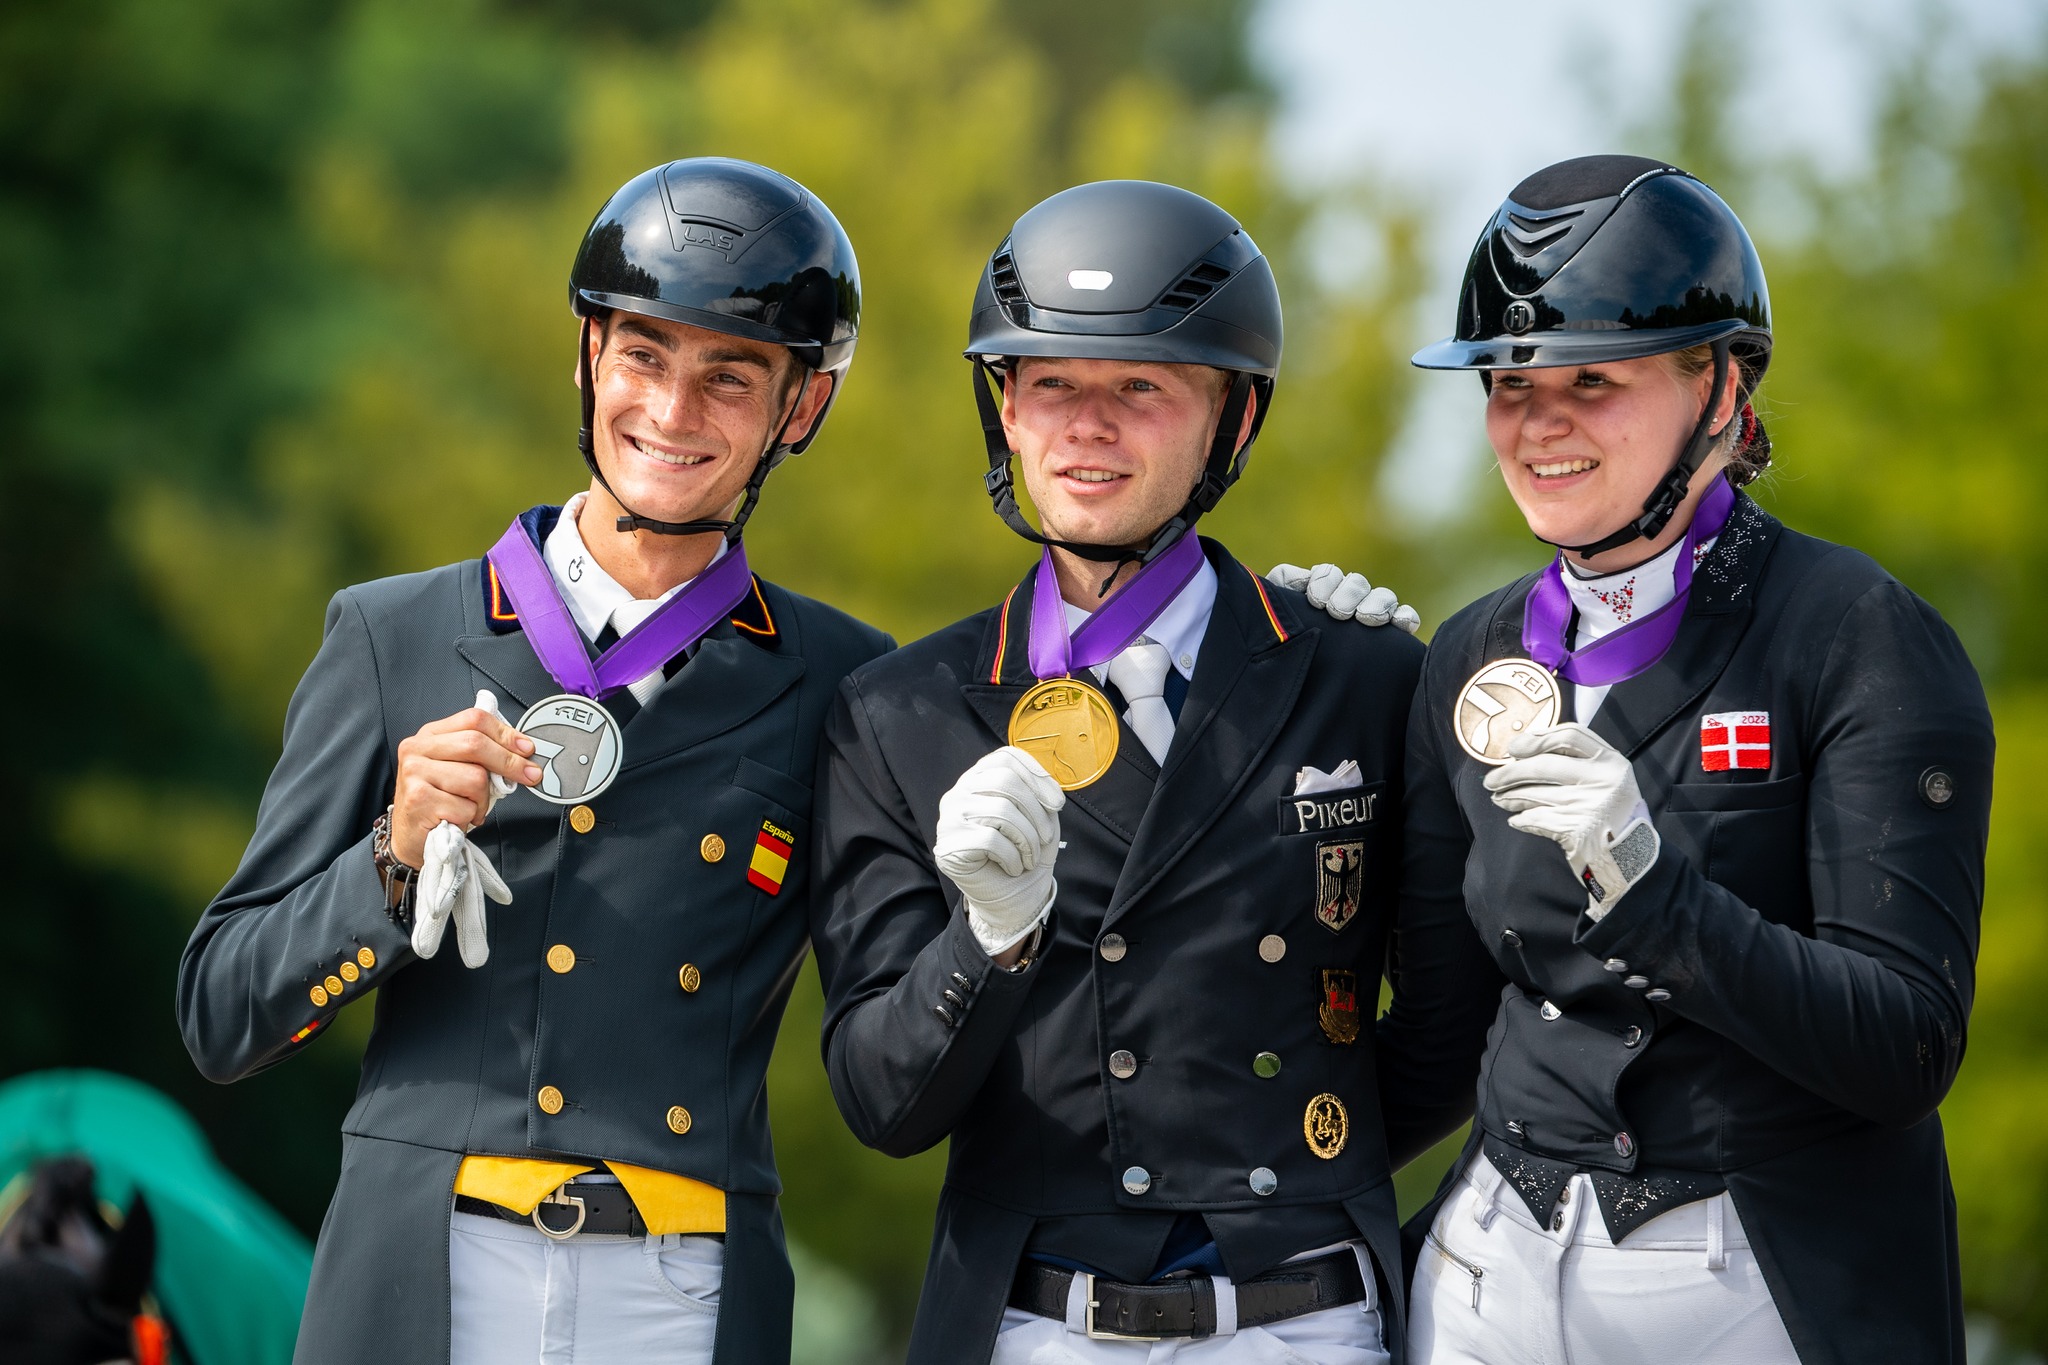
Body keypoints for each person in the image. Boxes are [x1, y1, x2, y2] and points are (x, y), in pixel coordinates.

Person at [177, 157, 891, 1365]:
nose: (672, 412)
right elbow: (219, 1014)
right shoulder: (388, 632)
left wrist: (1298, 662)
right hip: (426, 1269)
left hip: (682, 1287)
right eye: (644, 358)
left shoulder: (848, 684)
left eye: (730, 376)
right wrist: (388, 862)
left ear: (799, 410)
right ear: (586, 358)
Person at [809, 179, 1488, 1364]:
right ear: (1005, 413)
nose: (1087, 427)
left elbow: (1447, 1025)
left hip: (1305, 1314)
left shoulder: (1363, 676)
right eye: (1050, 385)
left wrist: (1289, 1150)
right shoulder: (897, 714)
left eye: (1140, 388)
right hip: (1035, 1320)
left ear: (1228, 421)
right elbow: (881, 1102)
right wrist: (987, 941)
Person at [1391, 155, 1994, 1364]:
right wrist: (1295, 659)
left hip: (1748, 1273)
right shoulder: (1468, 654)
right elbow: (1435, 1038)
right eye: (1508, 385)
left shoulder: (1856, 635)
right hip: (1494, 1265)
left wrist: (1654, 897)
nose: (1536, 425)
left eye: (1590, 382)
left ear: (1718, 389)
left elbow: (1902, 1046)